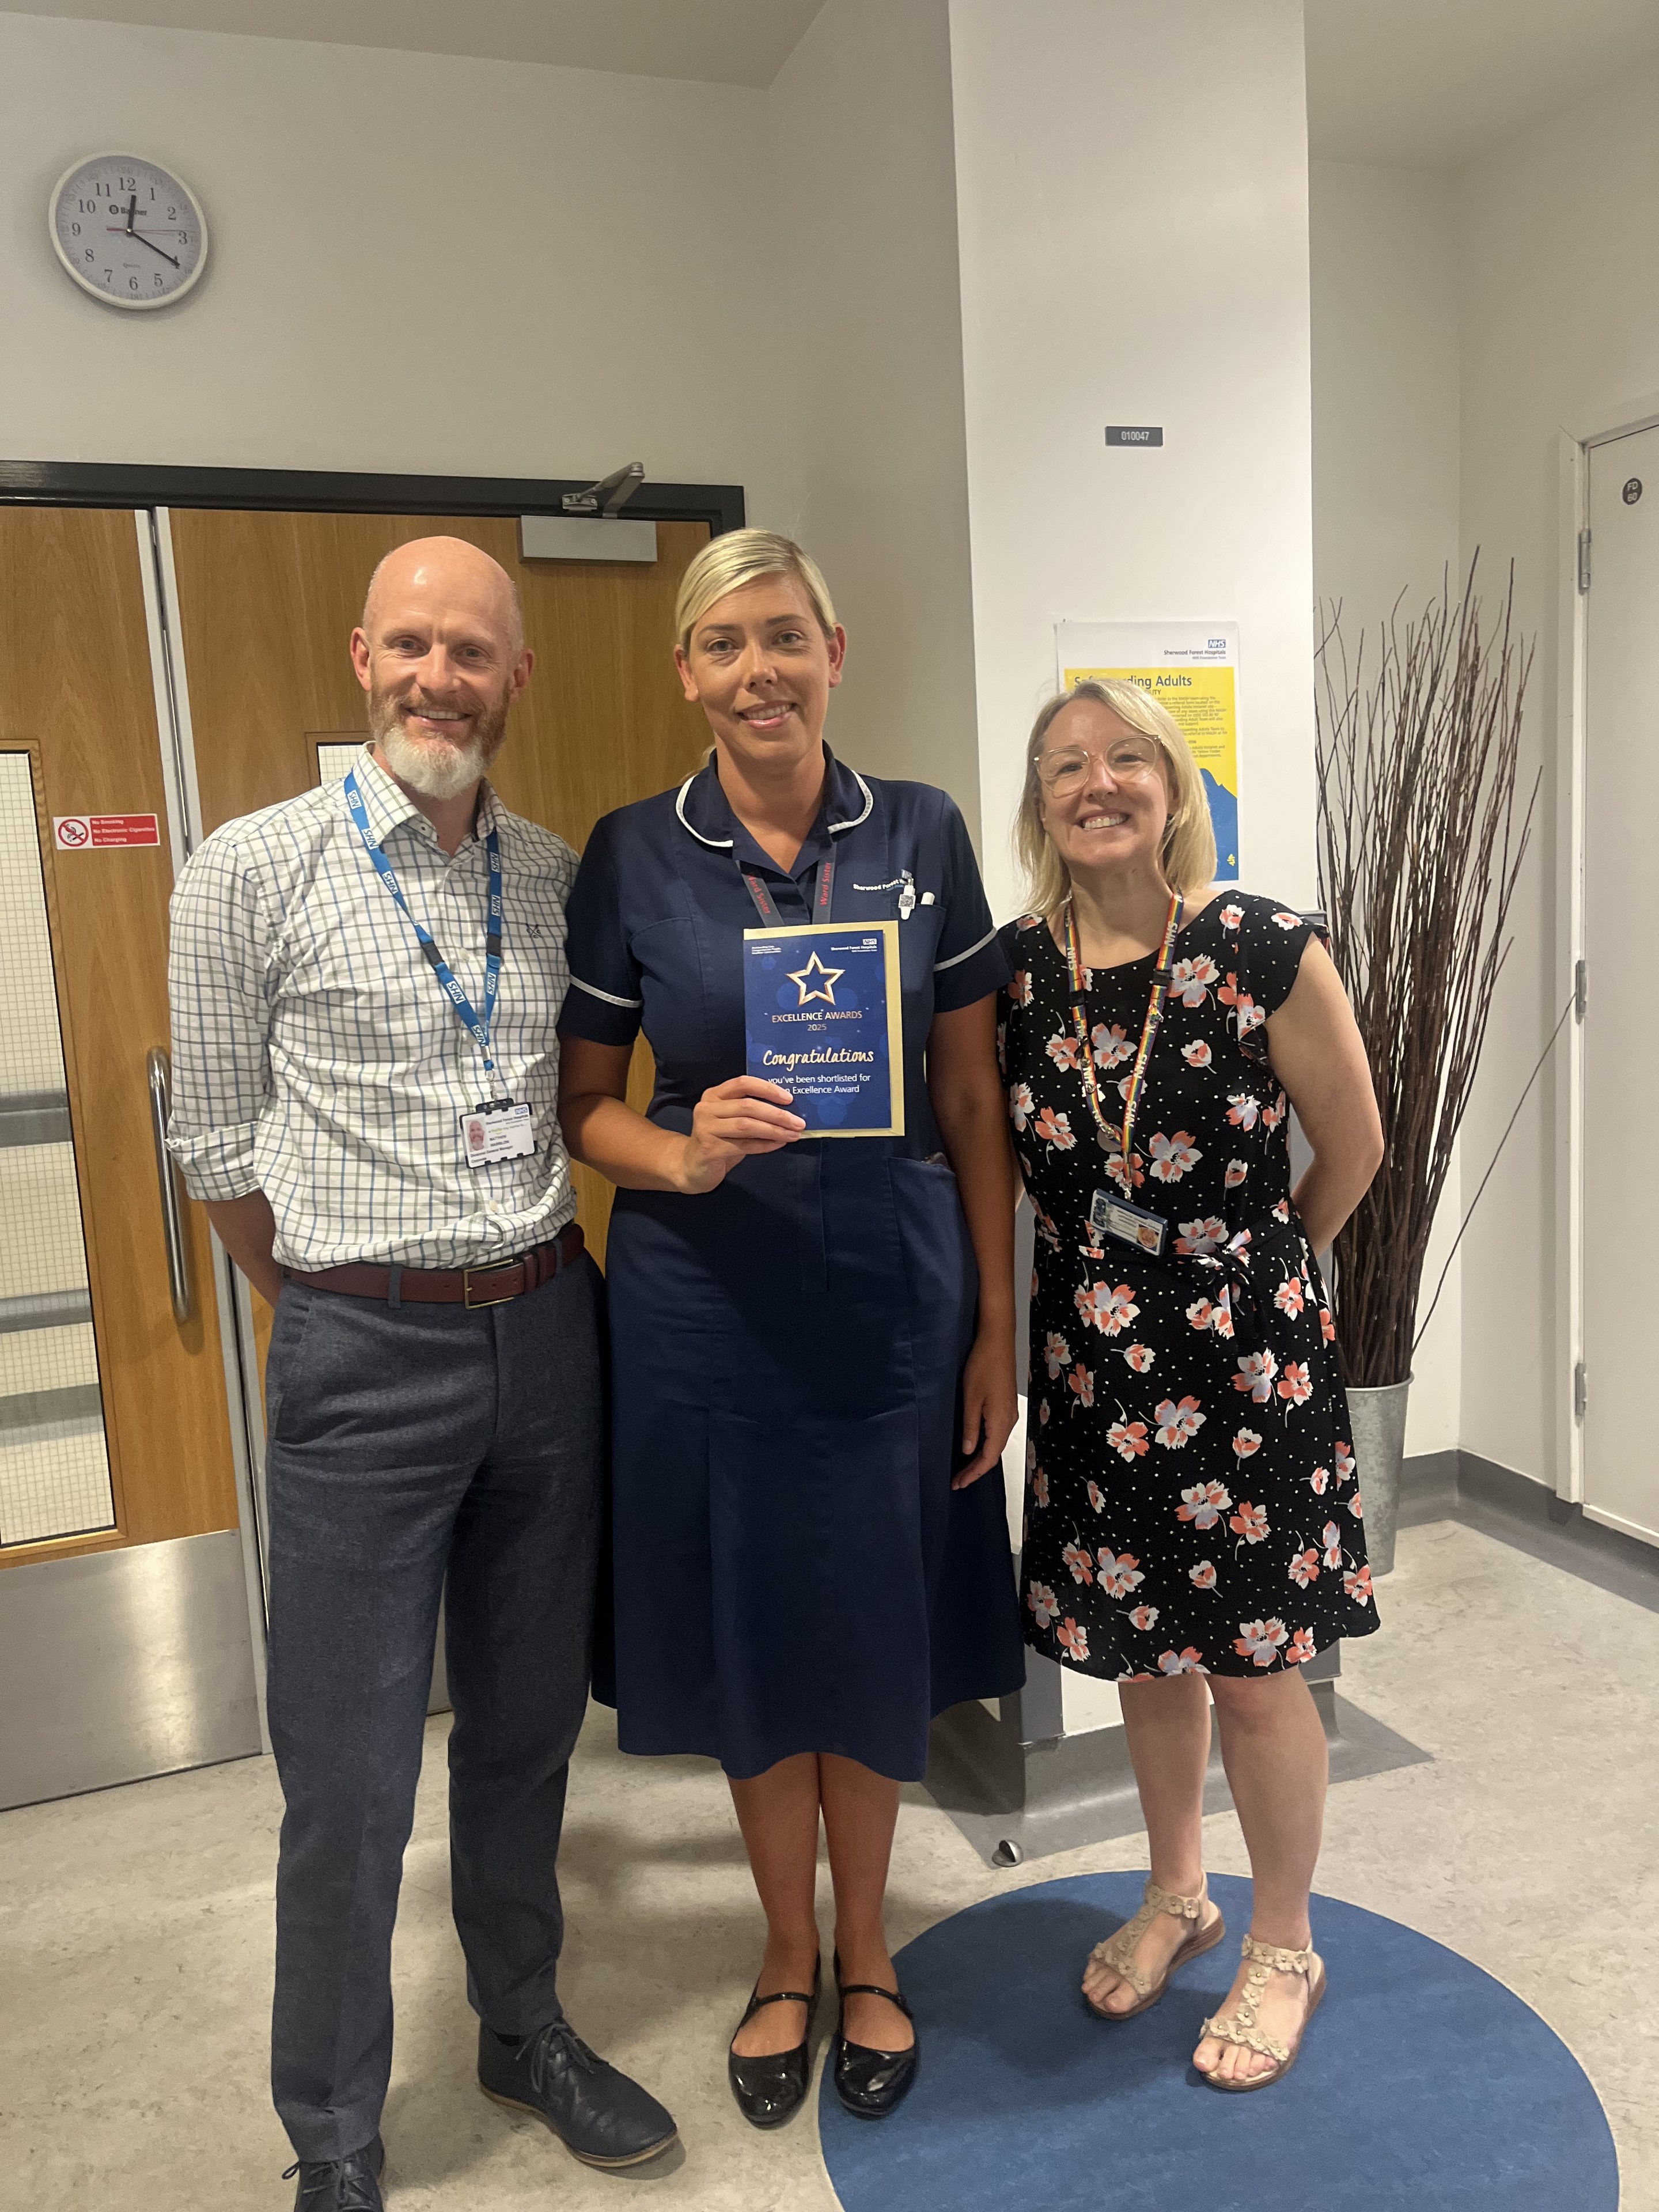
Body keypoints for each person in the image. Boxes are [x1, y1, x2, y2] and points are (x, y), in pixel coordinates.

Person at [166, 538, 676, 2211]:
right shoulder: (248, 869)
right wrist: (341, 1302)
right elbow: (215, 1144)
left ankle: (520, 2026)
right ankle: (333, 2134)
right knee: (350, 1776)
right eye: (411, 646)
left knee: (527, 1729)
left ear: (515, 675)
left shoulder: (554, 875)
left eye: (470, 652)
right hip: (361, 1351)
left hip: (548, 1332)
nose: (437, 679)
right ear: (361, 656)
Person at [557, 530, 1025, 2128]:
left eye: (784, 636)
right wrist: (680, 1152)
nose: (758, 670)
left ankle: (870, 1947)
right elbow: (583, 1108)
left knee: (872, 1621)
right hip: (708, 1307)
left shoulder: (923, 832)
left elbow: (971, 1097)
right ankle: (781, 1952)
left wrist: (996, 1323)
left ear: (835, 649)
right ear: (686, 671)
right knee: (757, 1626)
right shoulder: (634, 852)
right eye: (724, 643)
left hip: (895, 1295)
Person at [999, 679, 1383, 2092]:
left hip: (1246, 1359)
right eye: (1064, 767)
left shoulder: (1263, 946)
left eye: (1125, 759)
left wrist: (1260, 1276)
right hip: (1096, 1360)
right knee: (1144, 1652)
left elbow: (1354, 1145)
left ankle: (1283, 1942)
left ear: (1173, 785)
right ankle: (1178, 1891)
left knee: (1259, 1668)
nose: (1096, 784)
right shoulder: (1013, 973)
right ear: (1038, 804)